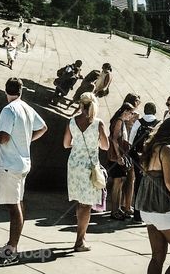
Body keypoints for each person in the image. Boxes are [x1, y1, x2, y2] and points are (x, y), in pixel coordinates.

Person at [0, 77, 47, 266]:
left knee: (13, 207)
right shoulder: (26, 108)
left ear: (5, 90)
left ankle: (11, 250)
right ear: (21, 91)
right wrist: (26, 140)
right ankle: (12, 245)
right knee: (19, 203)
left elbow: (4, 138)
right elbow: (43, 128)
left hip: (10, 164)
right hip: (23, 163)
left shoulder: (8, 110)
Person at [136, 117, 170, 274]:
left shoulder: (150, 147)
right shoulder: (167, 149)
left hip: (147, 209)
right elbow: (169, 182)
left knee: (157, 257)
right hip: (163, 209)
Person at [63, 92, 109, 252]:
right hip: (89, 167)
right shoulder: (98, 123)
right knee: (86, 205)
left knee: (80, 202)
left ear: (81, 105)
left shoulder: (72, 121)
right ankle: (80, 241)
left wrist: (78, 144)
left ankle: (80, 238)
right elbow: (105, 146)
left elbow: (66, 144)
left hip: (74, 164)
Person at [107, 100, 137, 220]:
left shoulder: (120, 121)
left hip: (116, 156)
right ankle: (114, 210)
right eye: (131, 113)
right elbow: (114, 139)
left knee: (119, 183)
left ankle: (117, 208)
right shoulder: (119, 121)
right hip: (115, 157)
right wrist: (119, 156)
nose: (131, 116)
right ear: (125, 112)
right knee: (117, 183)